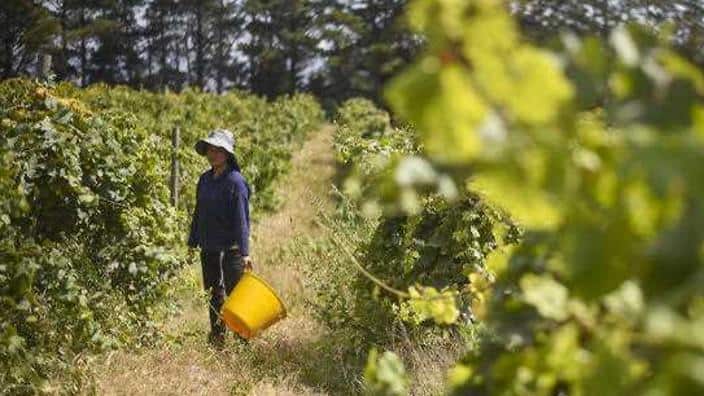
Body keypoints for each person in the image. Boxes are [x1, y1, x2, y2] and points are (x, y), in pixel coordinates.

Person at [187, 128, 253, 348]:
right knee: (214, 293)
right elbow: (199, 212)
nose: (213, 154)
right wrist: (192, 241)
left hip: (231, 249)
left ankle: (242, 342)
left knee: (235, 296)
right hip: (209, 247)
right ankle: (217, 339)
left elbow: (241, 219)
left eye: (218, 150)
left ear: (227, 154)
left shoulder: (236, 182)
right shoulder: (205, 180)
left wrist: (245, 253)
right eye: (210, 149)